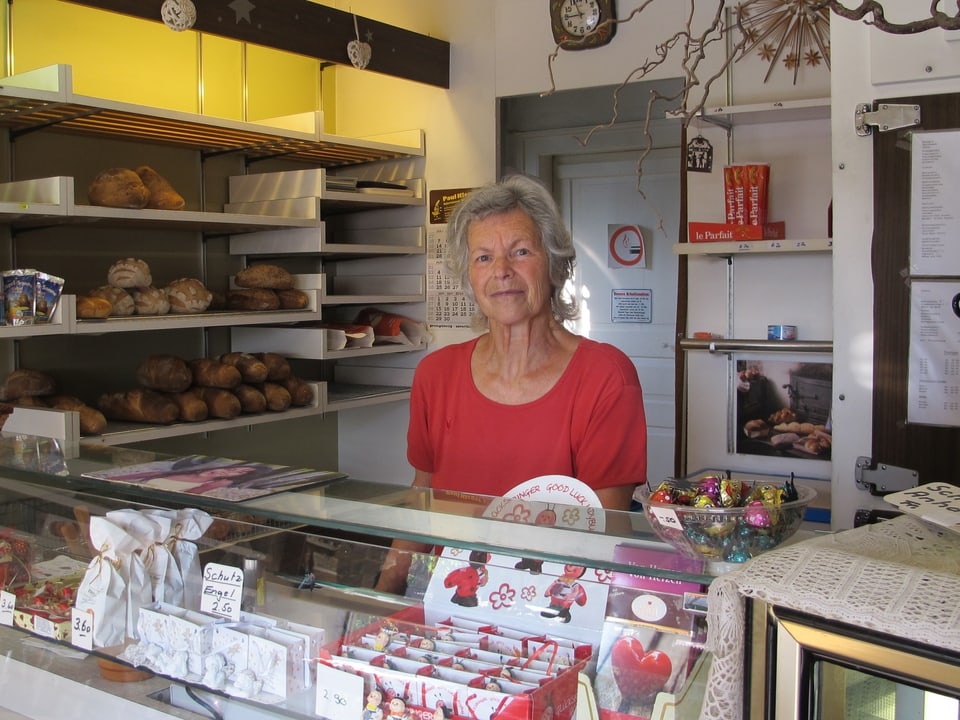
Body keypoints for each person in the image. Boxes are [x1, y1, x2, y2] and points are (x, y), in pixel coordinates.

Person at [375, 174, 647, 593]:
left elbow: (604, 536)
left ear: (555, 264)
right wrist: (383, 592)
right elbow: (422, 495)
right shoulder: (436, 374)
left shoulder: (606, 377)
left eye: (520, 252)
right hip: (446, 595)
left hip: (552, 605)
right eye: (483, 257)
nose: (501, 271)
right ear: (468, 275)